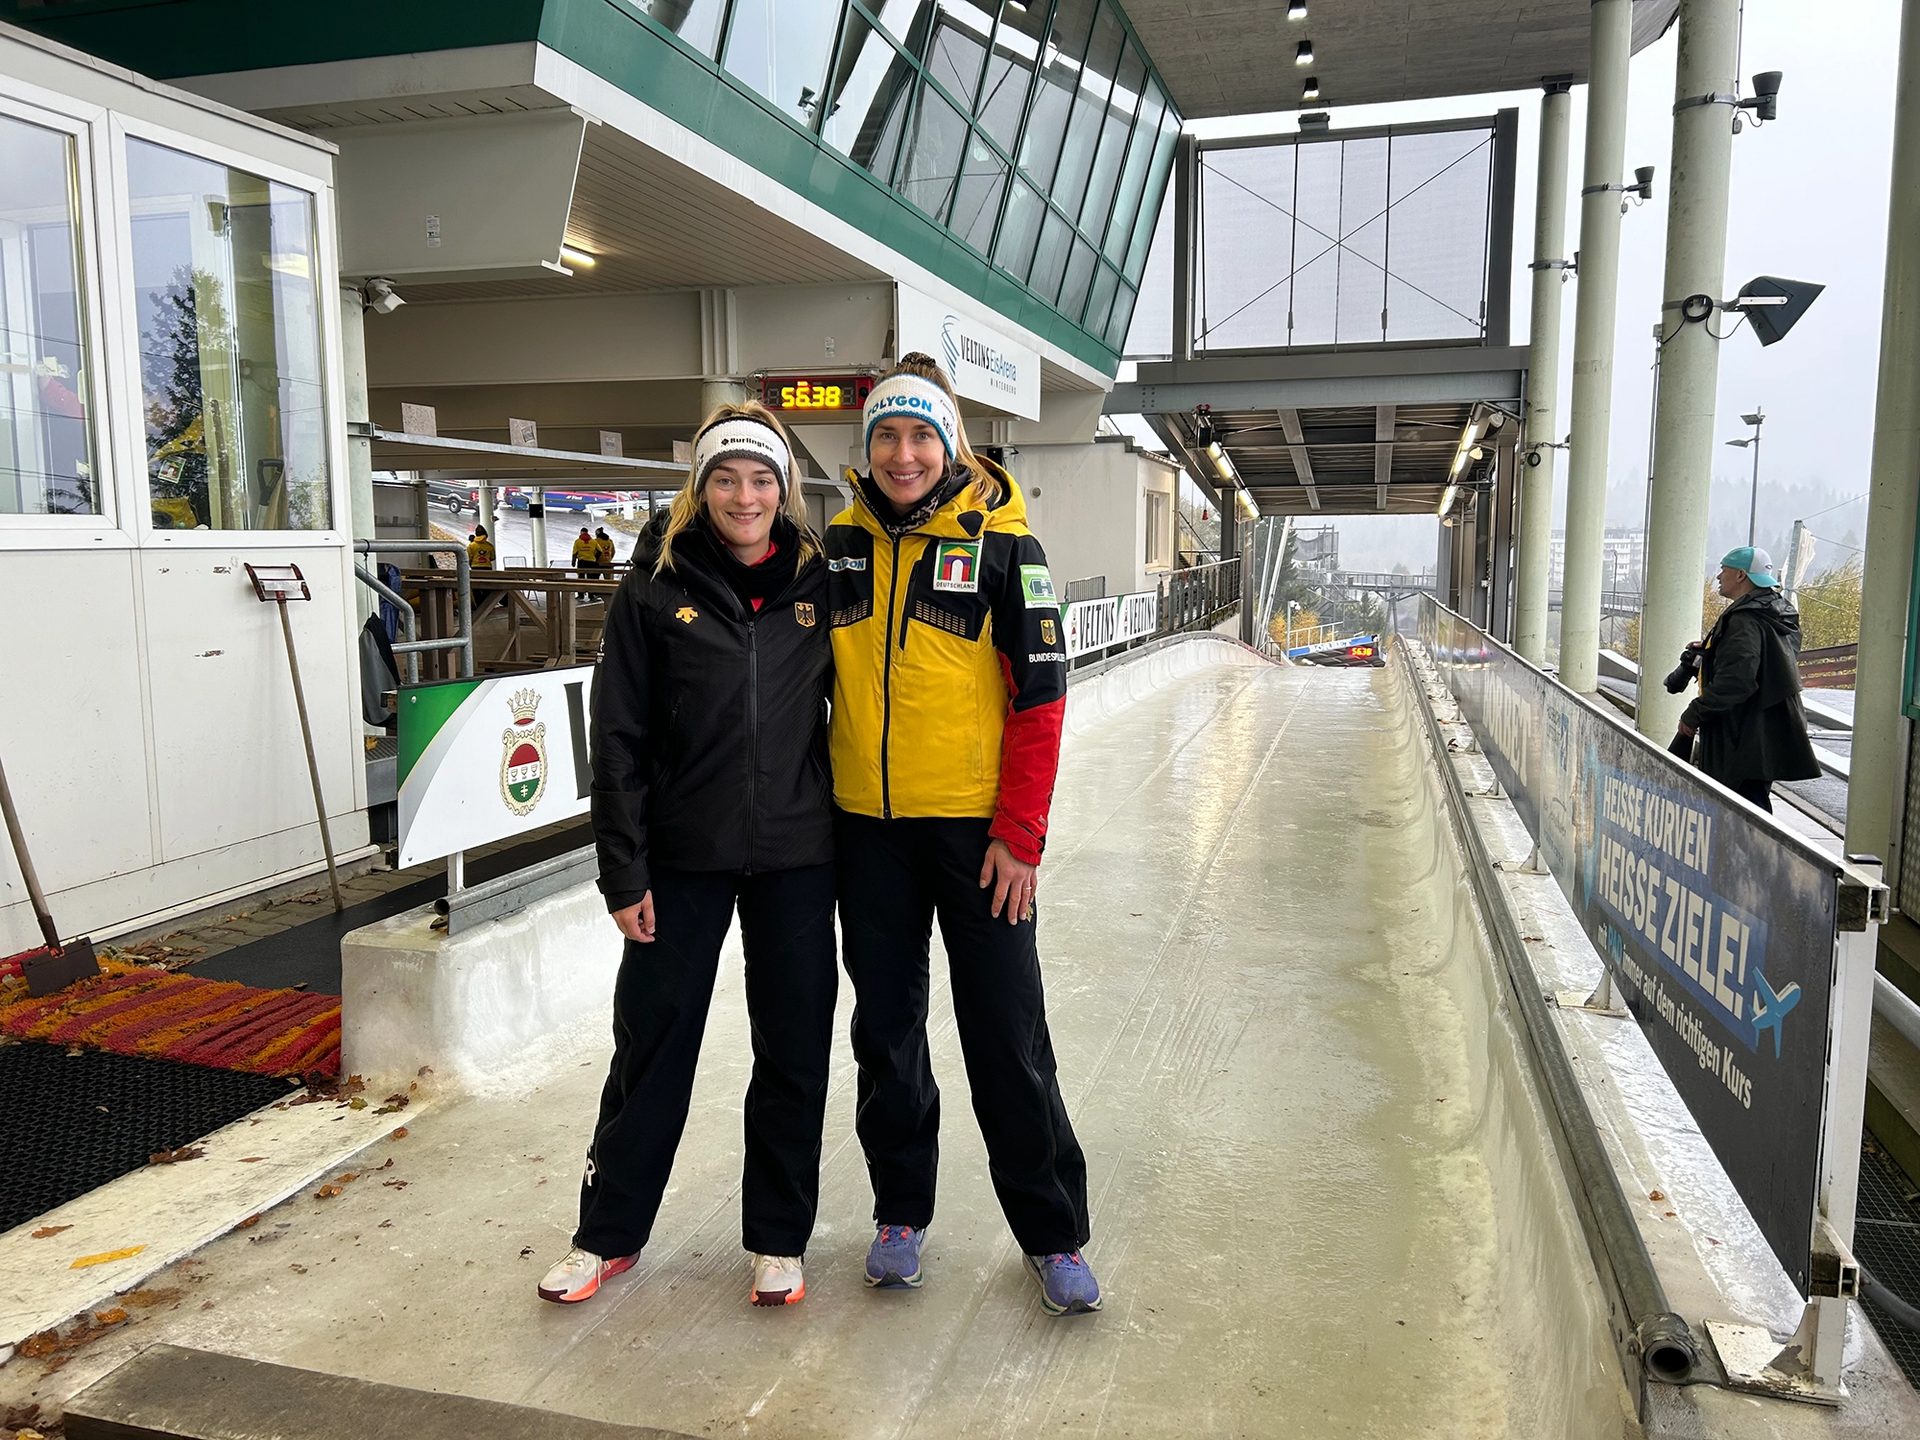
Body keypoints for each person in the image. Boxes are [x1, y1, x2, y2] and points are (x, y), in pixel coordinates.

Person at [538, 401, 836, 1310]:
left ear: (784, 490)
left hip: (797, 855)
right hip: (681, 859)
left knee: (793, 1046)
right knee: (653, 1044)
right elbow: (617, 736)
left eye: (761, 478)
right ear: (699, 490)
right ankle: (607, 1234)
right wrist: (622, 869)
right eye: (726, 478)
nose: (745, 496)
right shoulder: (652, 589)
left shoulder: (822, 587)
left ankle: (779, 1239)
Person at [824, 353, 1098, 1316]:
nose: (903, 455)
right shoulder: (842, 544)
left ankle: (1053, 1231)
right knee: (886, 1031)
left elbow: (1044, 700)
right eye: (887, 437)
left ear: (951, 444)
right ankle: (900, 1212)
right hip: (870, 838)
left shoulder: (1003, 548)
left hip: (980, 839)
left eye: (920, 435)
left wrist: (1020, 832)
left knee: (1005, 1032)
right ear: (869, 447)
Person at [1663, 546, 1819, 812]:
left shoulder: (1745, 620)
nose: (1718, 577)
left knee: (1741, 812)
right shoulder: (1776, 613)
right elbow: (1768, 663)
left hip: (1741, 734)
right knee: (1752, 803)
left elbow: (1738, 679)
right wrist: (1716, 651)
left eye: (1724, 569)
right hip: (1765, 730)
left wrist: (1695, 713)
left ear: (1740, 575)